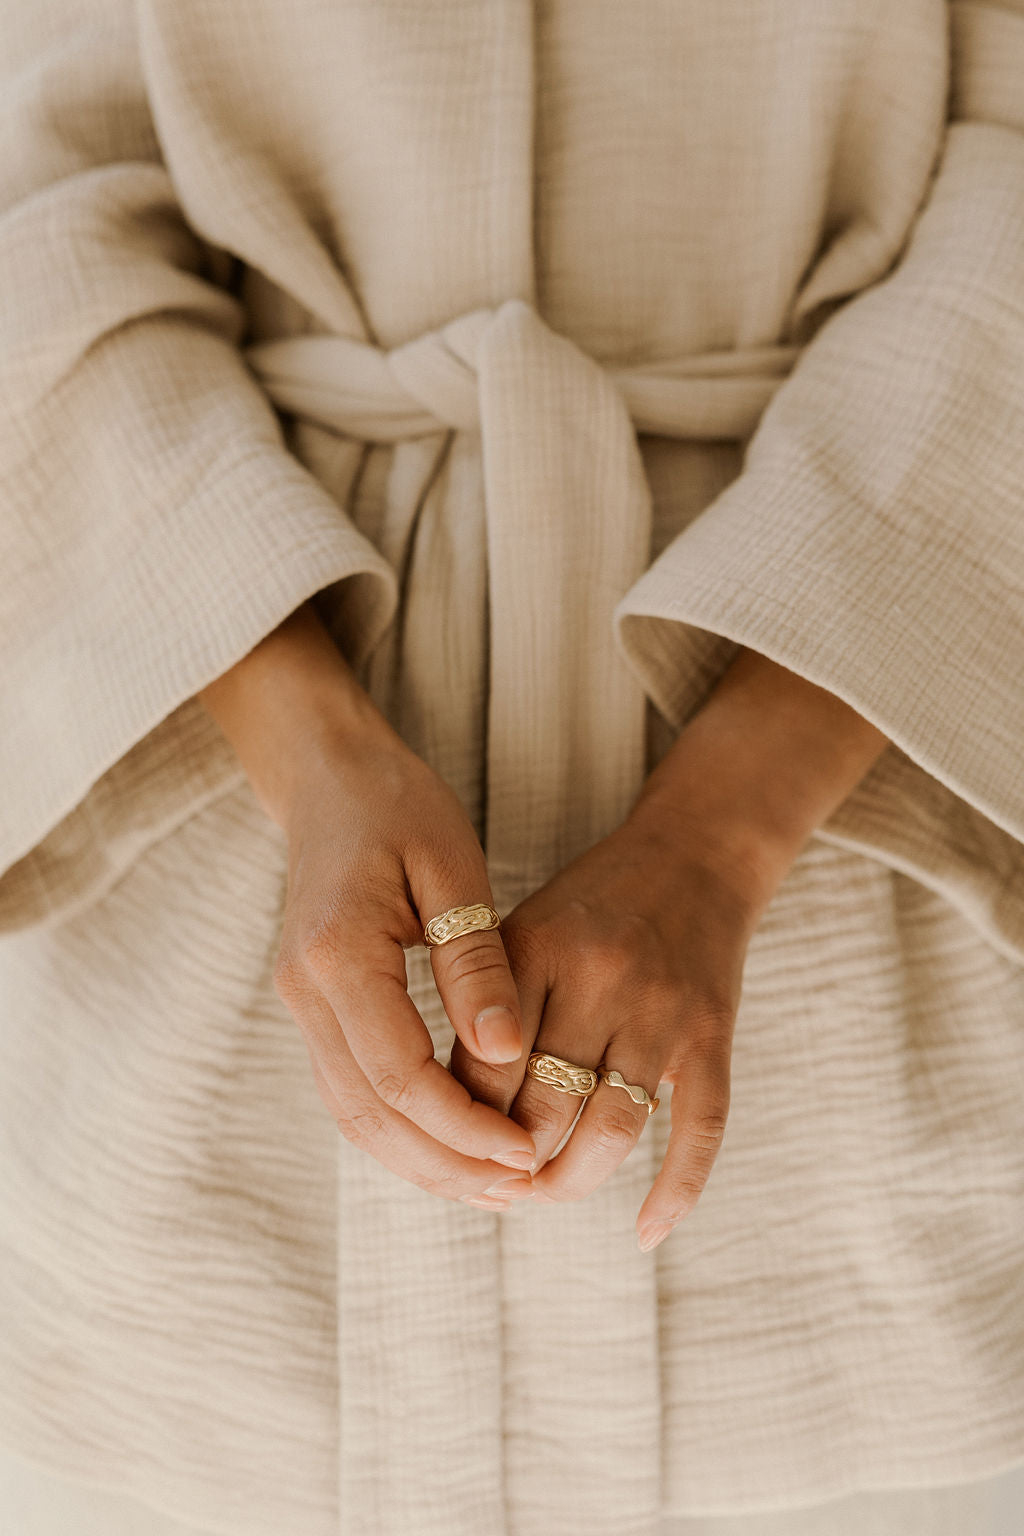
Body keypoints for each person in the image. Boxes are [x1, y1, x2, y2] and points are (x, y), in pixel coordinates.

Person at [2, 2, 1024, 1534]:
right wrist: (311, 745)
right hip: (194, 1031)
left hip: (853, 1060)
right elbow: (40, 200)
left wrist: (726, 828)